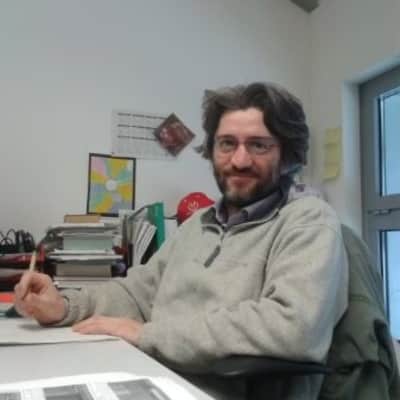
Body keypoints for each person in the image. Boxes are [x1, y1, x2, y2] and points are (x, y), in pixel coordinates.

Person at [14, 82, 349, 400]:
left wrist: (148, 335)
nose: (239, 160)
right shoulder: (198, 224)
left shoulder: (309, 220)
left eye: (258, 145)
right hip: (150, 376)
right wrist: (64, 306)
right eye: (227, 143)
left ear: (288, 154)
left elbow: (293, 327)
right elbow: (136, 294)